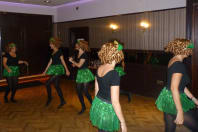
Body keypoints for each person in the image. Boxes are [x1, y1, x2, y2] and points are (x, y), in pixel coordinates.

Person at [156, 38, 198, 132]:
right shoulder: (179, 65)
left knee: (169, 129)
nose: (191, 51)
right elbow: (174, 88)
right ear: (183, 49)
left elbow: (180, 85)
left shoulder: (173, 60)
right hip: (175, 99)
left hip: (168, 97)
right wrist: (180, 111)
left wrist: (193, 98)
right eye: (189, 48)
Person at [90, 41, 127, 132]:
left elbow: (96, 90)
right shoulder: (114, 74)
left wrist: (97, 106)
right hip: (107, 108)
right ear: (117, 55)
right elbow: (115, 102)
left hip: (98, 102)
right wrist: (122, 122)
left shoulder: (100, 68)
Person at [69, 39, 94, 115]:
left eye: (77, 44)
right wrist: (74, 64)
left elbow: (79, 65)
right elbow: (78, 64)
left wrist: (72, 61)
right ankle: (83, 107)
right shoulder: (77, 53)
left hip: (85, 73)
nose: (75, 45)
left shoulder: (84, 55)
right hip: (80, 73)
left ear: (80, 46)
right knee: (78, 91)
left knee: (85, 92)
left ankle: (93, 106)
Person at [43, 37, 70, 109]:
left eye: (50, 44)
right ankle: (63, 101)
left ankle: (49, 98)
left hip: (58, 69)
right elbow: (50, 62)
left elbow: (63, 61)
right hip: (54, 69)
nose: (49, 45)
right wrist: (45, 71)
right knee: (56, 86)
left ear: (54, 44)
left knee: (47, 83)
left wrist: (67, 70)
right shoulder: (53, 52)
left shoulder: (59, 51)